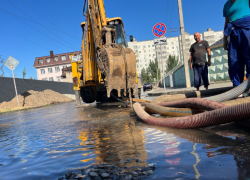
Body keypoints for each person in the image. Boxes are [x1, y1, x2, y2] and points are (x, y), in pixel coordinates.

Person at [223, 0, 250, 87]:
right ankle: (238, 87)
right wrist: (224, 39)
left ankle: (249, 84)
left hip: (247, 29)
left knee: (249, 56)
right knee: (234, 60)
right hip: (233, 33)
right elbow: (226, 22)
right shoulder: (226, 5)